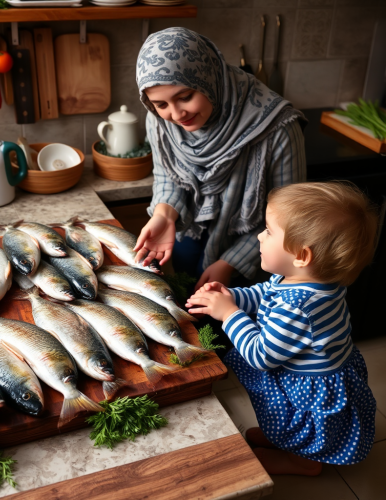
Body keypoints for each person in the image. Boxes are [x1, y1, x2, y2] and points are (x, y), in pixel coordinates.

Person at [185, 182, 378, 475]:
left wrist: (229, 314)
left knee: (299, 424)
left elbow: (261, 354)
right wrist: (233, 296)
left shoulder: (298, 307)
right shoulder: (306, 279)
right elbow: (265, 293)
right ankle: (286, 441)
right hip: (316, 372)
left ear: (302, 255)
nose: (260, 236)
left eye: (269, 231)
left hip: (307, 387)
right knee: (285, 422)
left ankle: (303, 460)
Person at [134, 27, 306, 289]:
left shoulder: (277, 127)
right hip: (184, 234)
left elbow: (290, 217)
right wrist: (164, 215)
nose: (177, 114)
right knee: (194, 323)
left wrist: (231, 263)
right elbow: (167, 175)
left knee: (228, 327)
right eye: (161, 104)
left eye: (185, 97)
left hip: (253, 253)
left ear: (208, 77)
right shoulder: (159, 121)